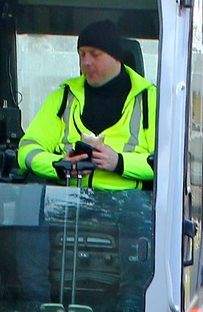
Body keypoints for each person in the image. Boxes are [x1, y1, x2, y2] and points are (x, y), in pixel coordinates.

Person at [17, 19, 157, 190]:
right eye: (82, 54)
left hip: (129, 208)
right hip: (67, 203)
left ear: (116, 57)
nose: (86, 62)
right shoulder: (63, 97)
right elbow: (26, 151)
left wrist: (119, 162)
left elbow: (167, 162)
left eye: (95, 54)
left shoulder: (150, 100)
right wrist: (60, 166)